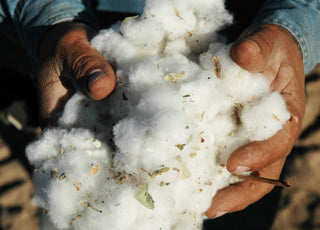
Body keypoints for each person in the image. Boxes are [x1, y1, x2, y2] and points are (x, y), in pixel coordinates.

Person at [0, 0, 319, 222]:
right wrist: (52, 20)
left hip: (246, 24)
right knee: (67, 185)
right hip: (65, 55)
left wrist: (295, 25)